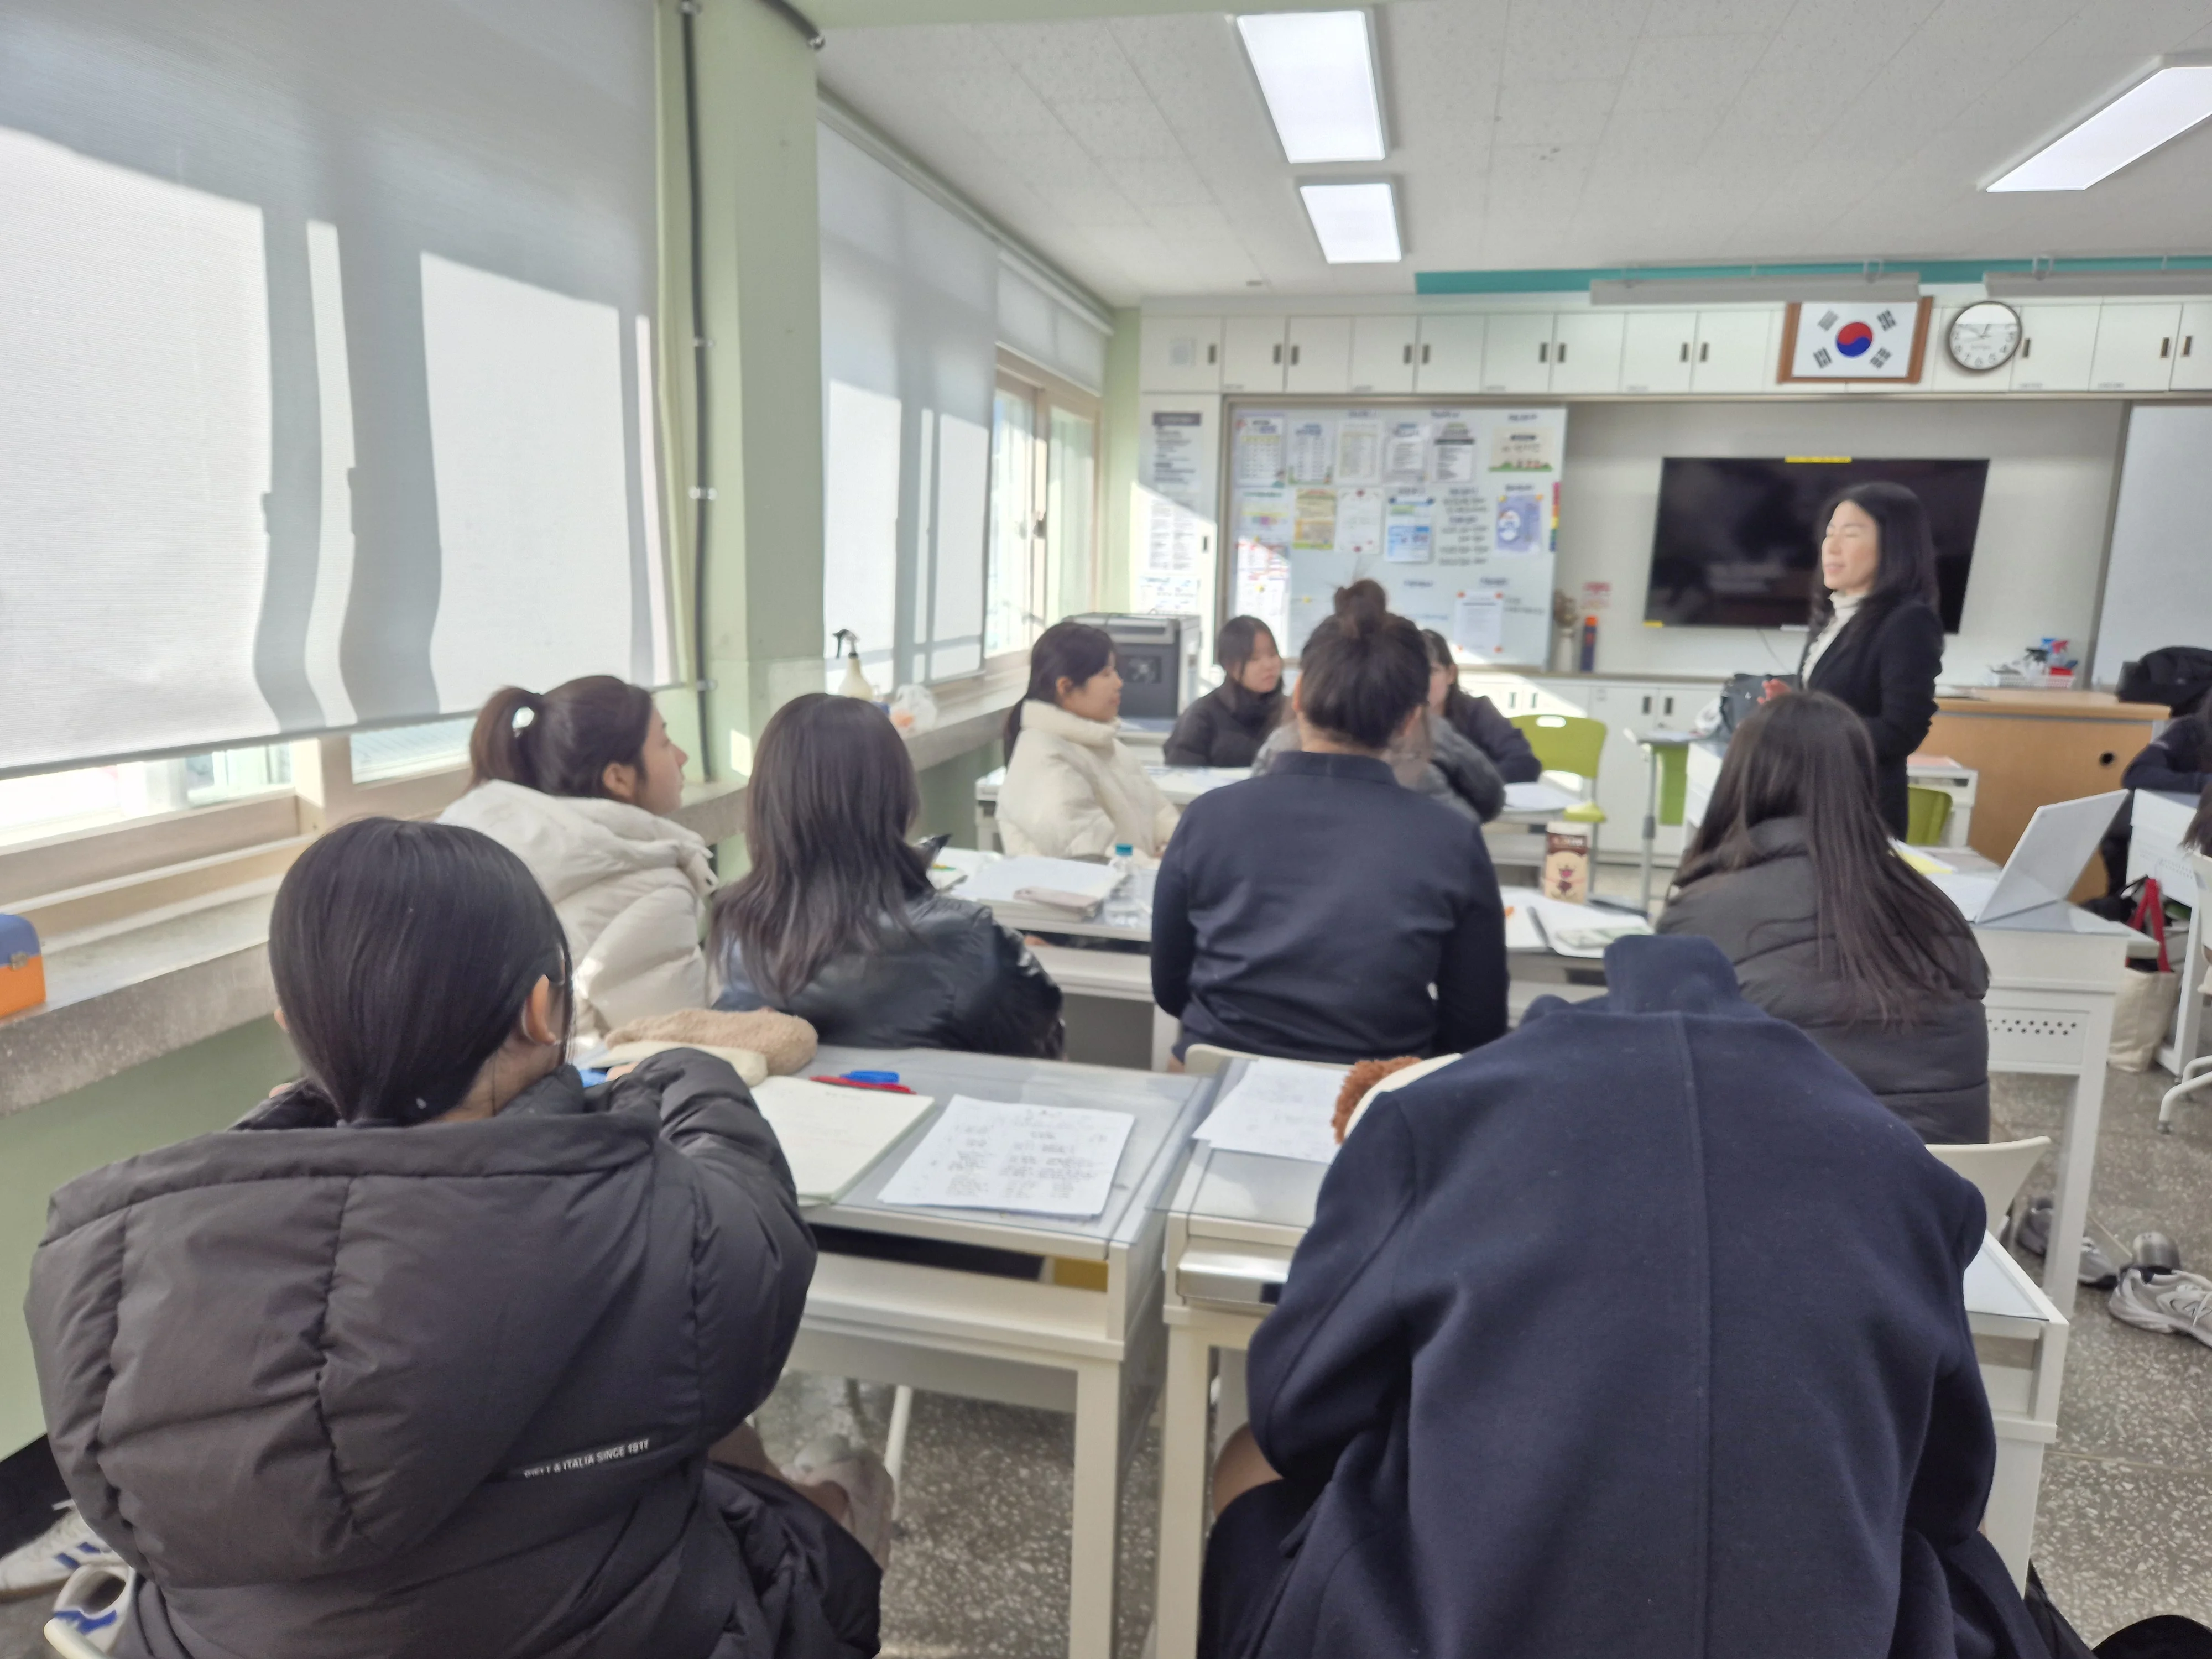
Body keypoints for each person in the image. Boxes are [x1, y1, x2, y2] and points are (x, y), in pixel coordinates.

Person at [25, 818, 883, 1659]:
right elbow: (759, 1239)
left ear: (293, 1022)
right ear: (543, 1011)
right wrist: (688, 1075)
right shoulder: (654, 1222)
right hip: (634, 1623)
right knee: (819, 1503)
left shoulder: (107, 1260)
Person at [1193, 932, 2049, 1659]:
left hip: (1451, 1629)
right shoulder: (1898, 1163)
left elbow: (1294, 1415)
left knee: (1250, 1465)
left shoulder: (1439, 1118)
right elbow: (1952, 1492)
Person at [1152, 582, 1509, 1063]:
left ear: (1298, 698)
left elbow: (1171, 987)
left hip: (1215, 1087)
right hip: (1374, 1103)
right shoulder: (1450, 839)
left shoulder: (1208, 817)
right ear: (1408, 721)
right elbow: (1477, 1026)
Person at [1657, 690, 1990, 1143]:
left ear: (1740, 779)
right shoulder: (1932, 906)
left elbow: (1659, 1068)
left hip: (1792, 1193)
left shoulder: (1702, 910)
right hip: (1942, 1198)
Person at [711, 693, 1064, 1058]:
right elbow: (1042, 1058)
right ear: (898, 797)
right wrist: (1007, 952)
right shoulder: (965, 935)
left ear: (766, 803)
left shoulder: (735, 925)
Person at [441, 675, 710, 1039]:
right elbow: (679, 1047)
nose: (682, 756)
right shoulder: (654, 887)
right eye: (665, 742)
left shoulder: (472, 851)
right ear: (618, 778)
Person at [1793, 482, 1947, 838]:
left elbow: (1901, 729)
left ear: (1893, 546)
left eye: (1851, 534)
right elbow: (1840, 693)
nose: (1831, 546)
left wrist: (1808, 735)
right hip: (1811, 800)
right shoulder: (1835, 615)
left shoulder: (1908, 621)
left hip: (1858, 813)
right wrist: (1790, 702)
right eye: (1829, 533)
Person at [997, 619, 1177, 859]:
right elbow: (1094, 857)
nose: (1119, 683)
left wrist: (1177, 852)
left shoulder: (1108, 746)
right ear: (1066, 687)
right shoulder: (1041, 758)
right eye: (1106, 674)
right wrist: (1160, 867)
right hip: (1079, 893)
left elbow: (1160, 814)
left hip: (1134, 887)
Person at [1164, 617, 1290, 768]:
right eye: (1254, 659)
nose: (1269, 665)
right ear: (1229, 666)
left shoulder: (1292, 712)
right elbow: (1181, 776)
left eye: (1273, 654)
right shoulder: (1202, 715)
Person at [1419, 628, 1541, 783]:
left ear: (1451, 674)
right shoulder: (1392, 715)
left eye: (1431, 671)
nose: (1421, 681)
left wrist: (1470, 784)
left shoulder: (1477, 711)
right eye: (1414, 671)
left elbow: (1525, 763)